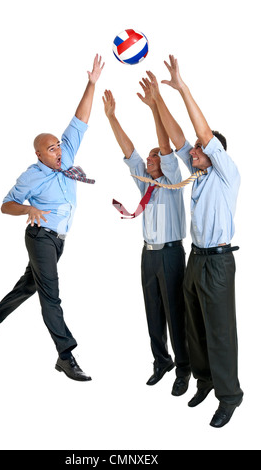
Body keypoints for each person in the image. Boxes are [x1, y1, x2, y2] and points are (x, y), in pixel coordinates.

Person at [0, 54, 104, 382]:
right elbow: (5, 204)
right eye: (50, 149)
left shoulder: (68, 155)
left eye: (58, 146)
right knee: (51, 295)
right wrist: (28, 209)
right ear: (39, 155)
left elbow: (80, 120)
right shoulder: (31, 176)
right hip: (40, 237)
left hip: (58, 241)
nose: (58, 150)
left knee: (28, 287)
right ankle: (66, 356)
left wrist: (91, 83)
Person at [145, 55, 243, 427]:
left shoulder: (225, 173)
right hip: (196, 259)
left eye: (201, 150)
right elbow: (178, 138)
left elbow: (200, 136)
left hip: (218, 263)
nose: (193, 152)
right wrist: (157, 101)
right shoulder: (199, 175)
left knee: (219, 330)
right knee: (194, 325)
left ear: (216, 153)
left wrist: (182, 88)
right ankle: (203, 381)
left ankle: (229, 396)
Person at [102, 82, 191, 397]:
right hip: (148, 254)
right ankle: (161, 362)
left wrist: (154, 106)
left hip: (170, 254)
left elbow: (164, 148)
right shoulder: (146, 184)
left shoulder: (171, 180)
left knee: (173, 310)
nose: (149, 160)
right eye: (150, 159)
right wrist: (112, 117)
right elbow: (129, 151)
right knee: (152, 309)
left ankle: (183, 368)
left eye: (154, 158)